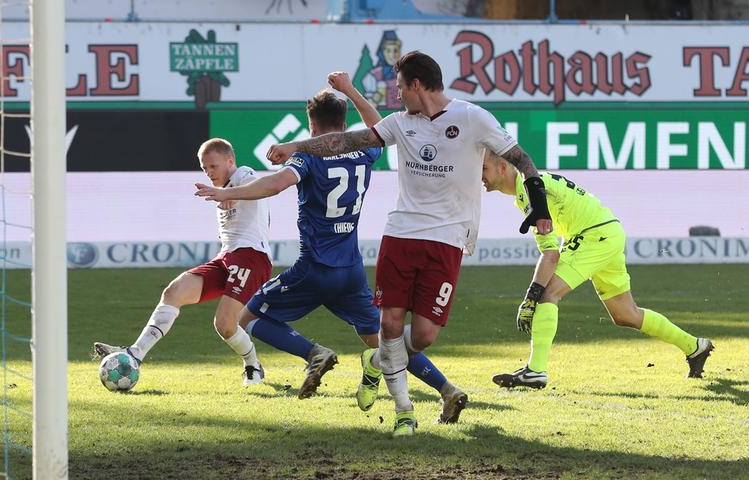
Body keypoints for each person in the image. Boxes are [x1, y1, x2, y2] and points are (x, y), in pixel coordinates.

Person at [266, 51, 553, 436]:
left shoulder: (472, 117)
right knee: (389, 323)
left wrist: (539, 205)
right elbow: (345, 141)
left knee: (422, 337)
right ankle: (404, 413)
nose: (397, 94)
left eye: (400, 86)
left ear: (417, 85)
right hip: (401, 234)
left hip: (449, 239)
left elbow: (522, 159)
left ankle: (378, 362)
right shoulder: (400, 124)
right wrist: (297, 146)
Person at [195, 73, 469, 425]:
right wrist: (351, 90)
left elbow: (275, 184)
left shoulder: (308, 156)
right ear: (342, 124)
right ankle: (446, 389)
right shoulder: (364, 150)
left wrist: (226, 193)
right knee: (383, 340)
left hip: (313, 269)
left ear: (312, 126)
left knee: (250, 317)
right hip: (350, 271)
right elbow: (379, 128)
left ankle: (315, 353)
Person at [481, 151, 715, 388]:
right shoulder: (531, 187)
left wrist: (530, 298)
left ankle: (536, 371)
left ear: (502, 167)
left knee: (547, 294)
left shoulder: (530, 190)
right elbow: (551, 249)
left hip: (594, 235)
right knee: (626, 315)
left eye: (483, 168)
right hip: (606, 232)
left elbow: (551, 255)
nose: (479, 176)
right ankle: (695, 347)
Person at [93, 138, 272, 387]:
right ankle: (134, 354)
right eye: (204, 168)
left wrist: (228, 193)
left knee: (225, 325)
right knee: (173, 292)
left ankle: (253, 365)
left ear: (230, 161)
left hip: (251, 257)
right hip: (226, 257)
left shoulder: (244, 175)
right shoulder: (221, 189)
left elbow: (260, 186)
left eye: (213, 166)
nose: (209, 173)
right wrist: (224, 193)